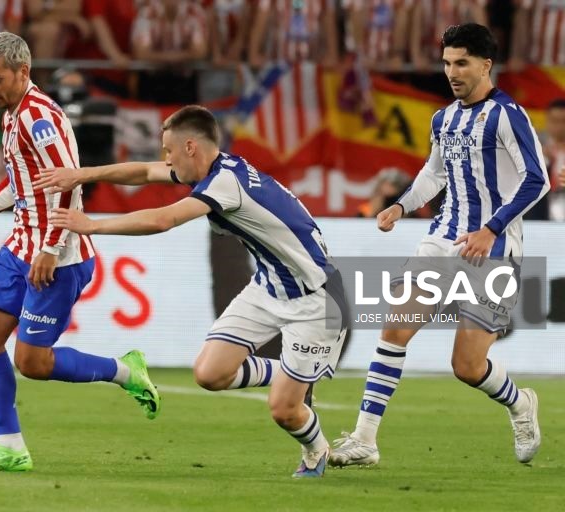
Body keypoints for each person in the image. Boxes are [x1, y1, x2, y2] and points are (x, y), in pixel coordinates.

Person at [32, 105, 348, 478]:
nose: (165, 158)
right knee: (209, 374)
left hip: (317, 299)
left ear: (190, 147)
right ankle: (295, 373)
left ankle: (316, 449)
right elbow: (144, 172)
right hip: (269, 286)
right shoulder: (217, 169)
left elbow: (163, 219)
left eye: (169, 150)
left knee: (284, 411)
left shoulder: (224, 184)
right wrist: (82, 174)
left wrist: (93, 225)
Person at [0, 32, 161, 473]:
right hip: (21, 245)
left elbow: (69, 180)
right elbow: (17, 185)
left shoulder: (39, 118)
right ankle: (11, 448)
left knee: (32, 363)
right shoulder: (12, 114)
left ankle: (125, 371)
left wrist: (51, 248)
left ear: (23, 72)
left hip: (59, 255)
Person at [329, 23, 549, 467]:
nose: (452, 72)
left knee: (467, 366)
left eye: (462, 62)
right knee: (395, 328)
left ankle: (520, 403)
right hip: (442, 239)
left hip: (493, 249)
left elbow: (537, 180)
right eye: (447, 63)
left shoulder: (507, 115)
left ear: (486, 65)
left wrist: (492, 228)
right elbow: (434, 174)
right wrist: (401, 206)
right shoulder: (443, 118)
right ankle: (365, 440)